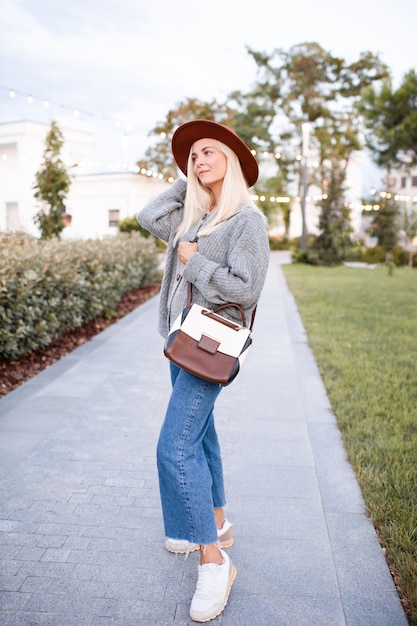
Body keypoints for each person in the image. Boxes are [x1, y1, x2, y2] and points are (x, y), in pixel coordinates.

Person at [137, 119, 270, 623]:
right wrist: (187, 178)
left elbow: (246, 289)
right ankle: (216, 520)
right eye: (193, 156)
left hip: (210, 344)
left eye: (209, 153)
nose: (198, 161)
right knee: (201, 434)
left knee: (174, 446)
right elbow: (149, 214)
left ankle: (214, 561)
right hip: (180, 341)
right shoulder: (195, 217)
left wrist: (194, 264)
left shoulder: (246, 222)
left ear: (232, 162)